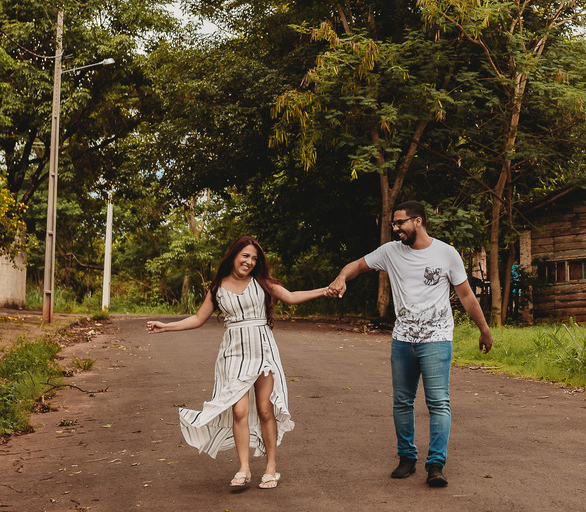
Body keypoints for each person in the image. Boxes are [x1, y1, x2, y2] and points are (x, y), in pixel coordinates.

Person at [329, 201, 493, 488]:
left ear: (418, 221)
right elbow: (357, 265)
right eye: (394, 223)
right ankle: (407, 458)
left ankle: (436, 464)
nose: (395, 228)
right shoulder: (390, 251)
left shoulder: (446, 253)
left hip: (437, 339)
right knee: (402, 401)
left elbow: (466, 295)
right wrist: (342, 277)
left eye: (400, 222)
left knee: (438, 403)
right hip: (403, 339)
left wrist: (484, 329)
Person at [147, 236, 332, 490]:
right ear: (234, 255)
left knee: (266, 409)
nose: (249, 262)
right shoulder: (217, 288)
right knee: (239, 411)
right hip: (233, 354)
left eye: (254, 258)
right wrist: (166, 327)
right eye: (245, 256)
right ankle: (244, 468)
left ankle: (270, 468)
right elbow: (198, 318)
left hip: (263, 351)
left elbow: (290, 296)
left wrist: (325, 290)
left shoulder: (262, 282)